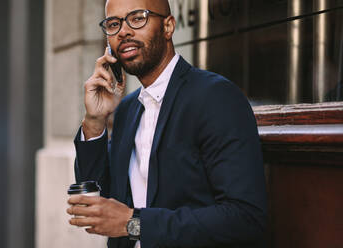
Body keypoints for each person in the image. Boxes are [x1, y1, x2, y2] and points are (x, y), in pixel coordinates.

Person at [66, 0, 268, 247]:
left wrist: (134, 223)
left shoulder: (216, 97)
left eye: (137, 18)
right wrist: (95, 121)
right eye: (113, 24)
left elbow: (245, 219)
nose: (123, 31)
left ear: (168, 27)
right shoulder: (127, 109)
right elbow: (100, 200)